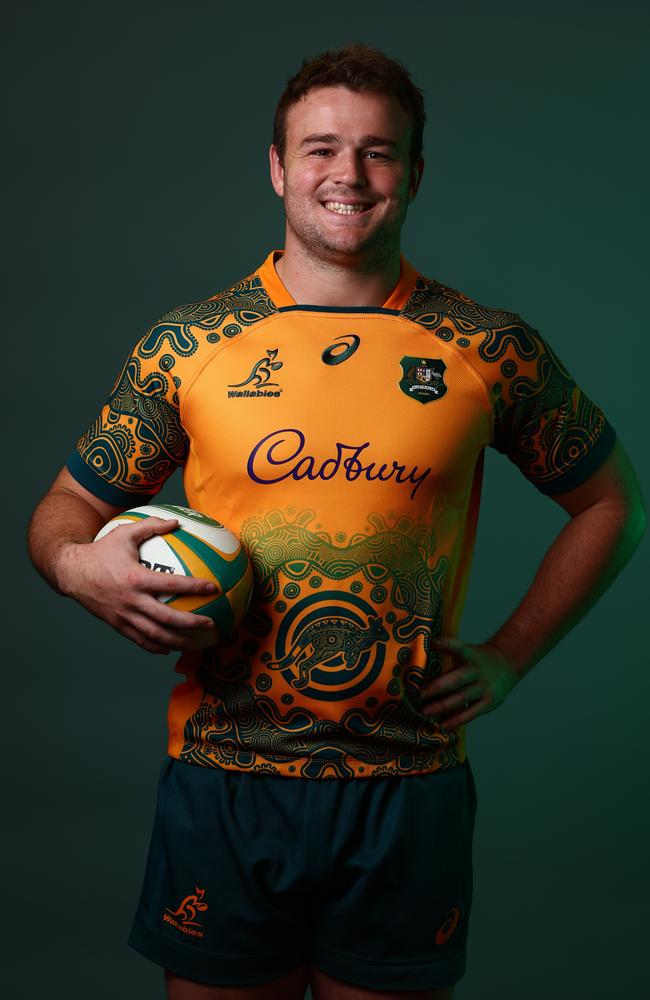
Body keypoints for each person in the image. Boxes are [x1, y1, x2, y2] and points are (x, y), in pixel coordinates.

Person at [27, 42, 645, 1000]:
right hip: (223, 777)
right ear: (278, 166)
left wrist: (512, 654)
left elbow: (613, 504)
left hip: (408, 786)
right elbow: (61, 514)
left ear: (414, 174)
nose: (347, 176)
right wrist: (78, 569)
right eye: (319, 149)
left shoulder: (486, 347)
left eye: (378, 153)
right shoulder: (190, 343)